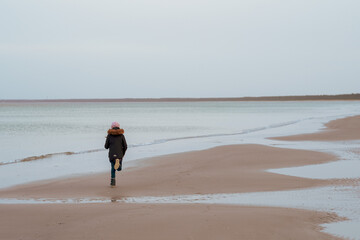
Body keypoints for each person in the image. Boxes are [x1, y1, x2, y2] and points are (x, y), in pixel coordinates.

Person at [104, 122, 127, 187]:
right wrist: (123, 153)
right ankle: (118, 165)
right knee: (119, 169)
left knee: (113, 168)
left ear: (112, 127)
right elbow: (125, 146)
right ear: (119, 127)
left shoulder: (109, 135)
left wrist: (108, 140)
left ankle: (113, 183)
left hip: (112, 154)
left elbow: (106, 147)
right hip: (119, 155)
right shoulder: (122, 135)